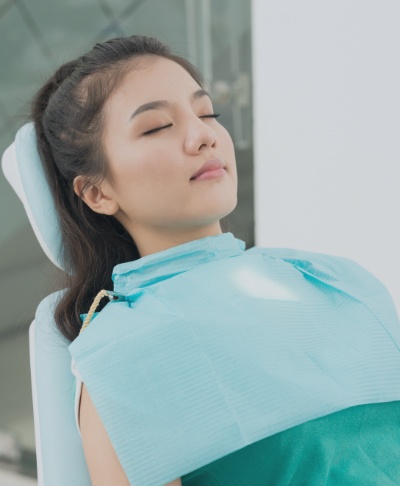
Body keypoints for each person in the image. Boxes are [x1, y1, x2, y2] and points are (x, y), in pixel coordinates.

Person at [31, 35, 400, 486]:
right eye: (156, 127)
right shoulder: (122, 352)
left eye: (207, 114)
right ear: (97, 192)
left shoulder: (333, 279)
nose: (203, 135)